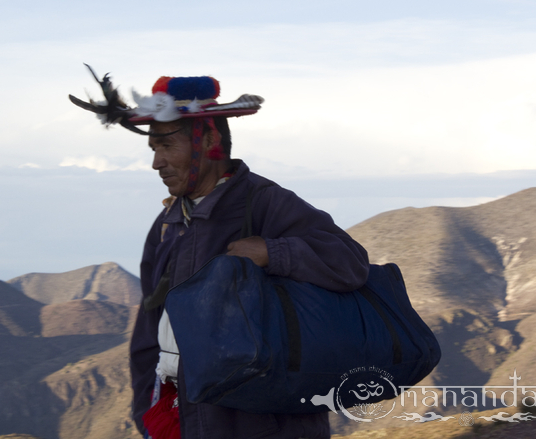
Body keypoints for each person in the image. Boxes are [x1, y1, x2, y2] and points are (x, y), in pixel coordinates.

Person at [69, 70, 370, 439]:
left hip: (266, 426)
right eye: (153, 150)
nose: (156, 163)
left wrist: (273, 252)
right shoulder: (167, 225)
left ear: (209, 139)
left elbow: (350, 262)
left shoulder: (265, 203)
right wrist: (145, 416)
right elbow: (149, 334)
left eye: (166, 147)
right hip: (185, 422)